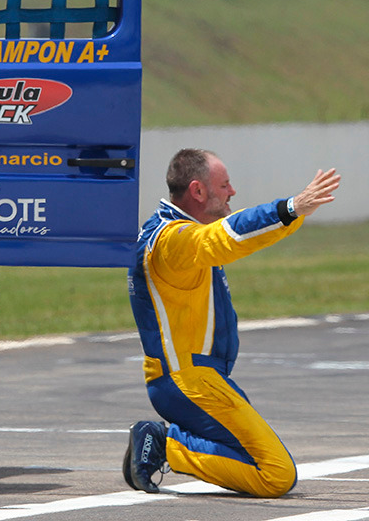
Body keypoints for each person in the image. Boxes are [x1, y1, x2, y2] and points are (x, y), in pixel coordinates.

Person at [124, 148, 341, 497]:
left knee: (254, 458)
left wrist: (293, 214)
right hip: (188, 383)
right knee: (276, 475)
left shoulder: (174, 232)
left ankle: (167, 444)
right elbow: (226, 238)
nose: (232, 192)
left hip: (199, 379)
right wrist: (289, 208)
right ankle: (165, 445)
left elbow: (225, 236)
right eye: (224, 185)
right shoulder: (173, 240)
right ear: (197, 191)